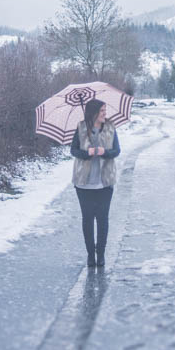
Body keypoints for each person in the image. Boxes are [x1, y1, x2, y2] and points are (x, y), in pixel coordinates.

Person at [70, 98, 121, 267]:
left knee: (102, 219)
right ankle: (90, 255)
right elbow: (73, 150)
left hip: (104, 182)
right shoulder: (81, 127)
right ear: (93, 113)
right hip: (83, 183)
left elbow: (117, 151)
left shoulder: (111, 127)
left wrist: (104, 152)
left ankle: (101, 255)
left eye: (105, 111)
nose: (105, 114)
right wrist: (87, 153)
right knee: (87, 219)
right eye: (102, 111)